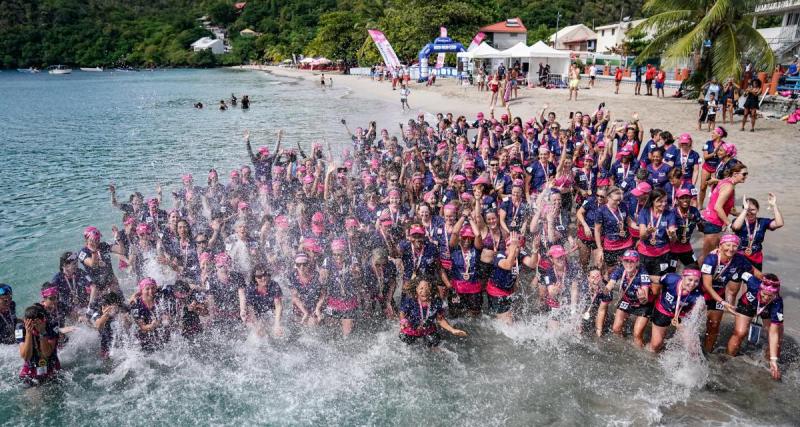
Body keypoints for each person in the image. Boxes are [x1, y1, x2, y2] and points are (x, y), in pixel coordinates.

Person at [700, 234, 753, 353]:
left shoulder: (739, 259)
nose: (731, 248)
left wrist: (767, 284)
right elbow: (707, 286)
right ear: (720, 245)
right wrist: (723, 302)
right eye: (728, 245)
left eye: (734, 246)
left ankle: (708, 353)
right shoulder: (711, 259)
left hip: (719, 293)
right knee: (693, 323)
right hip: (701, 293)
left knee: (714, 326)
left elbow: (754, 272)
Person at [726, 272, 784, 380]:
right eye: (764, 294)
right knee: (740, 333)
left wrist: (774, 359)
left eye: (770, 296)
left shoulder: (777, 303)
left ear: (775, 294)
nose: (766, 298)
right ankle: (727, 359)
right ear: (760, 288)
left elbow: (773, 332)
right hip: (747, 304)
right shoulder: (753, 282)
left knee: (778, 341)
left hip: (767, 310)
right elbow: (740, 271)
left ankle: (768, 366)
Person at [648, 268, 705, 352]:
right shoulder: (670, 279)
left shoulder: (699, 294)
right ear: (683, 276)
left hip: (682, 315)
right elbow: (656, 279)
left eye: (696, 281)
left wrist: (683, 327)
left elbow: (695, 317)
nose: (692, 284)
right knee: (656, 344)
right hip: (663, 309)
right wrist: (641, 275)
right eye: (690, 279)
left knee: (692, 347)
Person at [700, 163, 748, 261]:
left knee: (713, 255)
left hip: (710, 221)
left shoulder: (725, 182)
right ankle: (697, 275)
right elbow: (718, 207)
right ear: (735, 174)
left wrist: (741, 214)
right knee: (707, 257)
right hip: (713, 223)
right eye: (744, 174)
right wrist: (729, 224)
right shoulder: (729, 187)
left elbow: (726, 208)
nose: (746, 176)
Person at [399, 279, 467, 349]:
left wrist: (452, 330)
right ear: (416, 289)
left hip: (428, 330)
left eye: (427, 288)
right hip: (412, 329)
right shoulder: (411, 299)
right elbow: (402, 312)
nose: (424, 291)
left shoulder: (436, 302)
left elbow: (440, 319)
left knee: (435, 345)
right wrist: (403, 321)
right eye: (421, 288)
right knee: (405, 342)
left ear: (431, 290)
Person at [605, 250, 652, 347]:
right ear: (622, 262)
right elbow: (609, 286)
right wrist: (601, 286)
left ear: (637, 262)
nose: (628, 264)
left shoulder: (643, 274)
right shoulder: (620, 270)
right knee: (616, 329)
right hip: (627, 300)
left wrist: (642, 297)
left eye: (632, 261)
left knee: (637, 335)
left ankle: (640, 352)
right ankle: (622, 346)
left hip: (642, 305)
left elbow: (645, 299)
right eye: (626, 261)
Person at [731, 194, 783, 270]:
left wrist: (774, 205)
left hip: (756, 257)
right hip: (739, 256)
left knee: (755, 280)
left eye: (752, 210)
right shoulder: (739, 221)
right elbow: (736, 227)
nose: (750, 212)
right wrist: (745, 209)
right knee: (738, 280)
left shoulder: (763, 222)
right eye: (747, 210)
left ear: (757, 210)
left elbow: (779, 223)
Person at [16, 304, 60, 385]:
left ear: (44, 319)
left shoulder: (52, 325)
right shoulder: (20, 328)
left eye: (38, 322)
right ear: (25, 321)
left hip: (51, 367)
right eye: (32, 323)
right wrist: (29, 333)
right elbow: (26, 356)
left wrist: (42, 332)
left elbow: (47, 353)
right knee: (33, 395)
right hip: (30, 369)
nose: (35, 326)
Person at [129, 277, 170, 353]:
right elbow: (142, 327)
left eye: (153, 288)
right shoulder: (135, 305)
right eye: (147, 289)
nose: (151, 291)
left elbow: (170, 287)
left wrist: (166, 318)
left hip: (159, 333)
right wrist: (152, 325)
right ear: (142, 290)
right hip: (144, 336)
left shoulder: (160, 297)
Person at [243, 264, 284, 338]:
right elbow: (250, 309)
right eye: (259, 276)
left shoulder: (274, 286)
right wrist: (256, 325)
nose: (263, 278)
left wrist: (277, 324)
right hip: (256, 312)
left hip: (270, 311)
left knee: (278, 331)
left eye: (265, 275)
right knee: (258, 333)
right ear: (255, 278)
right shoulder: (250, 289)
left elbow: (278, 306)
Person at [89, 292, 127, 359]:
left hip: (123, 347)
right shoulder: (99, 312)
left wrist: (123, 317)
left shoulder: (123, 309)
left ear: (117, 304)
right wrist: (105, 315)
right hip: (106, 347)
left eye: (112, 306)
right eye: (106, 305)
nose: (109, 308)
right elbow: (98, 325)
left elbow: (128, 325)